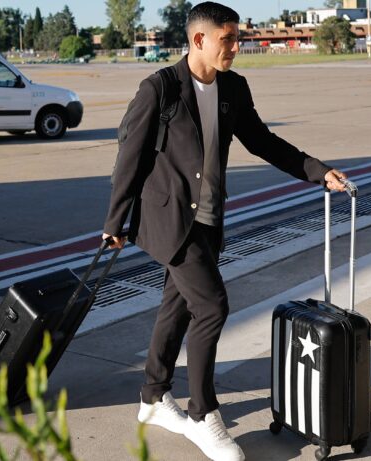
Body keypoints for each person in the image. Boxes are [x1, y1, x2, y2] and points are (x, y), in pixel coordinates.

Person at [102, 3, 348, 460]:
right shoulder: (160, 88)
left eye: (238, 39)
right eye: (228, 39)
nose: (237, 47)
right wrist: (114, 222)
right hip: (169, 219)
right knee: (212, 307)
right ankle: (202, 413)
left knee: (176, 307)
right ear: (199, 40)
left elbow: (263, 141)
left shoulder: (233, 87)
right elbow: (129, 157)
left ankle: (153, 397)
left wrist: (318, 171)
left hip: (210, 217)